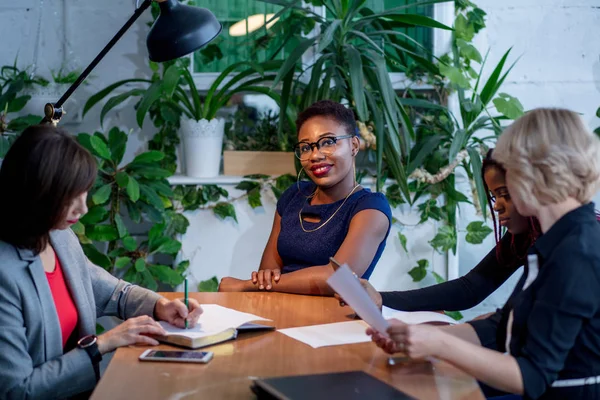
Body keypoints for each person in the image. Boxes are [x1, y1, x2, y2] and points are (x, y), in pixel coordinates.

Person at [368, 108, 600, 399]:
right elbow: (503, 324)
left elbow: (533, 376)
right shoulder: (555, 241)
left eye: (510, 173)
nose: (501, 198)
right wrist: (424, 337)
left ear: (538, 171)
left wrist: (438, 345)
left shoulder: (577, 253)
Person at [0, 125, 204, 399]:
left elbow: (111, 291)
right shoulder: (5, 272)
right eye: (70, 197)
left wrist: (160, 306)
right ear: (36, 194)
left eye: (83, 192)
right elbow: (17, 390)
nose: (83, 208)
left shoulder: (59, 237)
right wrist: (101, 344)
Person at [219, 100, 392, 295]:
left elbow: (339, 280)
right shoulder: (294, 195)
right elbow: (266, 275)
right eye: (305, 147)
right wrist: (262, 284)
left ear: (353, 145)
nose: (315, 155)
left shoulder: (370, 208)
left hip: (335, 318)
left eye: (328, 142)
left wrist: (245, 285)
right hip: (278, 312)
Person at [349, 149, 541, 321]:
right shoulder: (525, 235)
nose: (497, 206)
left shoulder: (560, 246)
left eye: (505, 194)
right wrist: (381, 298)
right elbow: (472, 288)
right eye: (494, 196)